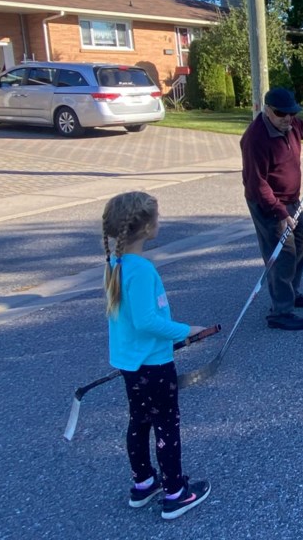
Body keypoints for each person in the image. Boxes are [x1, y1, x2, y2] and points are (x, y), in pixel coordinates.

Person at [101, 191, 210, 520]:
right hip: (152, 363)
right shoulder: (142, 270)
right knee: (166, 425)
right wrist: (186, 331)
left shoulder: (115, 262)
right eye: (156, 219)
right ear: (146, 228)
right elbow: (147, 321)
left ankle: (144, 482)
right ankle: (176, 492)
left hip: (130, 363)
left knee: (139, 421)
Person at [241, 87, 303, 331]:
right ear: (267, 110)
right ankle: (280, 311)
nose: (288, 118)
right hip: (268, 203)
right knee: (282, 255)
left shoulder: (292, 125)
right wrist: (281, 212)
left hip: (292, 198)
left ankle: (292, 292)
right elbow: (257, 184)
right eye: (282, 113)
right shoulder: (255, 139)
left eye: (292, 113)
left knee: (300, 247)